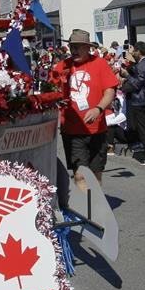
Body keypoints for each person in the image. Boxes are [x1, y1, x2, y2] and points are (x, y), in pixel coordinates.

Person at [51, 29, 117, 191]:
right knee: (80, 174)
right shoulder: (61, 66)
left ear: (88, 48)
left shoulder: (99, 63)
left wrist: (98, 109)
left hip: (97, 130)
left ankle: (95, 208)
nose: (74, 50)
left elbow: (110, 91)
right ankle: (86, 213)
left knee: (95, 175)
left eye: (79, 46)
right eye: (72, 46)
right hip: (73, 130)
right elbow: (51, 92)